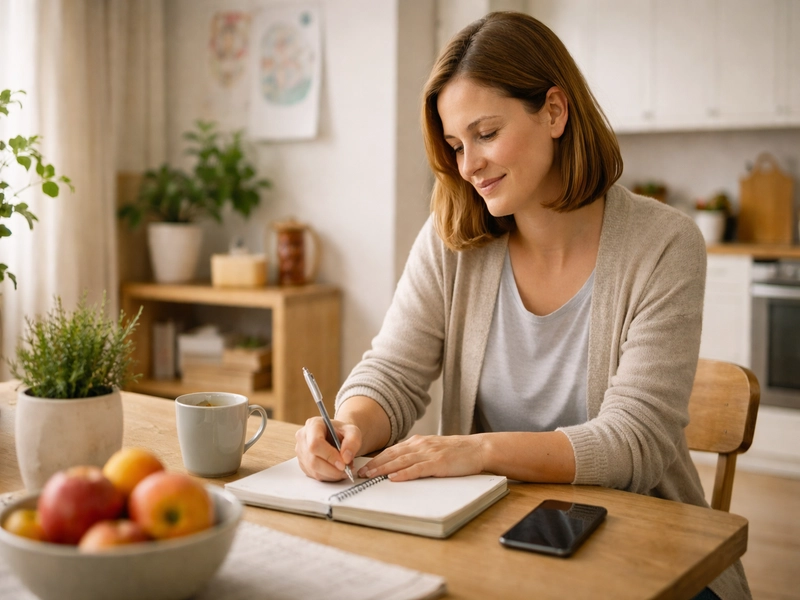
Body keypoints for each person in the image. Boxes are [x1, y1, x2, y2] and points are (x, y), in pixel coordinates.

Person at [295, 11, 749, 600]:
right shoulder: (452, 238)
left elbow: (632, 442)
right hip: (491, 539)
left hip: (644, 554)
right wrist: (349, 427)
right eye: (456, 145)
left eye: (485, 134)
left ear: (555, 111)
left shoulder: (664, 245)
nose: (468, 165)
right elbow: (394, 373)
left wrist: (475, 451)